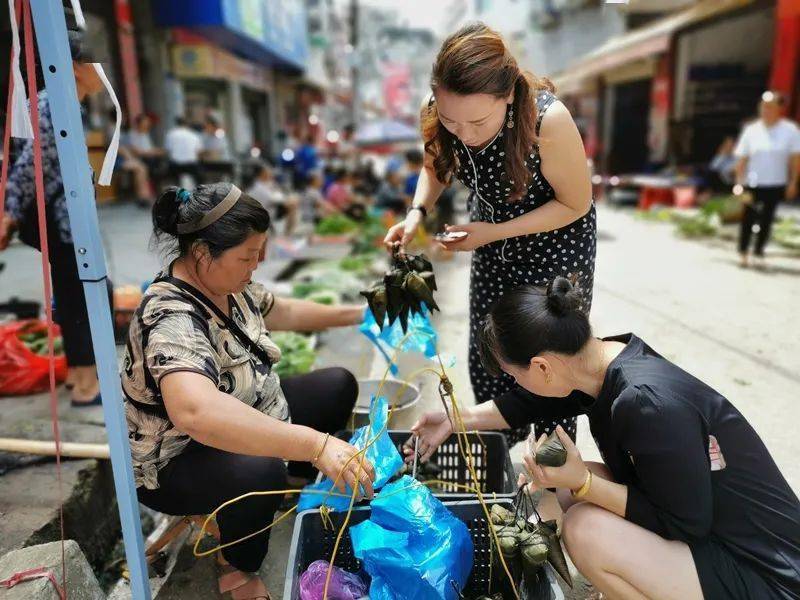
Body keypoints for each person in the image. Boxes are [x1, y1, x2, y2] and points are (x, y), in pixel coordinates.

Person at [410, 277, 800, 600]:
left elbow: (685, 524)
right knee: (568, 495)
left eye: (515, 375)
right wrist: (455, 419)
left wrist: (583, 482)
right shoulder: (603, 362)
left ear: (543, 366)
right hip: (718, 529)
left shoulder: (647, 403)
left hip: (767, 572)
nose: (516, 385)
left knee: (585, 529)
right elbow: (527, 404)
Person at [126, 182, 374, 599]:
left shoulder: (228, 285)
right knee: (261, 471)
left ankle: (286, 490)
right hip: (180, 459)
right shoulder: (171, 316)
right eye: (248, 256)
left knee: (337, 384)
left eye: (260, 252)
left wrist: (363, 312)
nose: (258, 263)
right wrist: (315, 445)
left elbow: (287, 311)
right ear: (203, 254)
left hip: (255, 406)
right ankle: (237, 564)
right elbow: (196, 413)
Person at [384, 23, 596, 446]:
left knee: (549, 360)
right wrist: (416, 213)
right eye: (450, 120)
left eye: (478, 122)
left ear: (509, 97)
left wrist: (495, 232)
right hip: (490, 241)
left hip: (555, 244)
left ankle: (554, 462)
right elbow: (435, 168)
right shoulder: (440, 109)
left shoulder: (547, 119)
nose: (463, 132)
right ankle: (501, 444)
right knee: (492, 350)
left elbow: (575, 205)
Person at [0, 30, 112, 407]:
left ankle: (78, 374)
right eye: (99, 65)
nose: (105, 74)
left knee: (75, 293)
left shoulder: (64, 104)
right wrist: (9, 217)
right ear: (78, 67)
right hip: (59, 221)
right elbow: (29, 169)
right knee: (82, 295)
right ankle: (84, 384)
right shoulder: (53, 107)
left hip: (66, 217)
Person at [734, 91, 800, 269]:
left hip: (775, 183)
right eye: (763, 107)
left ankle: (758, 252)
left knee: (766, 219)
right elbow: (742, 159)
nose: (766, 110)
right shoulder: (751, 130)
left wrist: (793, 182)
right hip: (750, 184)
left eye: (770, 107)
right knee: (748, 217)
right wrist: (738, 184)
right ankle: (743, 252)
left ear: (779, 109)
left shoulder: (790, 130)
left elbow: (795, 159)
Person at [246, 163, 298, 235]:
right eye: (268, 171)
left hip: (268, 207)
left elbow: (278, 193)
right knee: (292, 205)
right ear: (263, 173)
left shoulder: (266, 183)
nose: (270, 173)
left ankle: (288, 232)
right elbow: (273, 198)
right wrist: (286, 200)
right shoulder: (258, 186)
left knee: (292, 201)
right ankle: (288, 233)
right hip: (264, 211)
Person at [165, 116, 203, 188]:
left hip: (175, 165)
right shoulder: (194, 134)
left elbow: (168, 150)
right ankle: (200, 192)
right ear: (187, 124)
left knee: (172, 178)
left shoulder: (170, 134)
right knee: (199, 179)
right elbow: (199, 151)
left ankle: (176, 191)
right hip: (191, 165)